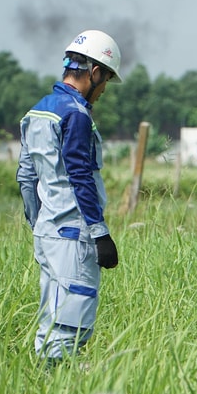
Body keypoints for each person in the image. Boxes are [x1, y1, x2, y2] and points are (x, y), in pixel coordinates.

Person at [16, 29, 123, 365]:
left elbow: (25, 176)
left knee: (51, 321)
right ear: (93, 72)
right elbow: (80, 175)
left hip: (48, 232)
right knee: (70, 326)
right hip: (74, 234)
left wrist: (41, 222)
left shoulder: (38, 112)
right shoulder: (76, 114)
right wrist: (100, 233)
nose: (104, 89)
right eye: (105, 80)